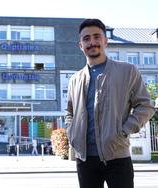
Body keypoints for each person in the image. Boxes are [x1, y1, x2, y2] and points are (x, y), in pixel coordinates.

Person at [65, 18, 155, 188]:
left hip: (117, 157)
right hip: (85, 160)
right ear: (80, 46)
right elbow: (69, 112)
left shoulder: (127, 71)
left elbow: (145, 106)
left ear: (105, 41)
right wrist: (72, 134)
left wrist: (124, 131)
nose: (92, 42)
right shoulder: (75, 79)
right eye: (86, 39)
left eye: (97, 36)